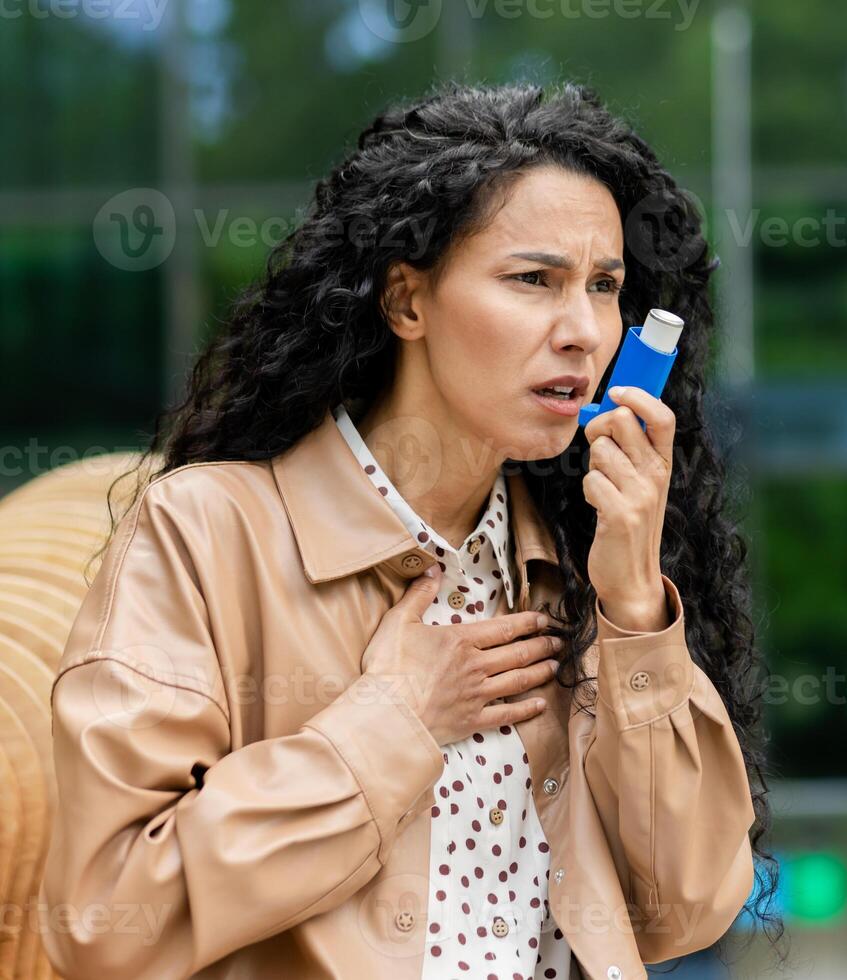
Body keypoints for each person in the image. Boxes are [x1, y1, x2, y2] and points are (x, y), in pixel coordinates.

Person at [40, 81, 776, 980]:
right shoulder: (209, 532)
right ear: (406, 303)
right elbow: (107, 923)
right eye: (532, 280)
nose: (583, 330)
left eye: (605, 287)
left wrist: (631, 609)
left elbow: (690, 906)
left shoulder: (574, 573)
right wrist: (393, 723)